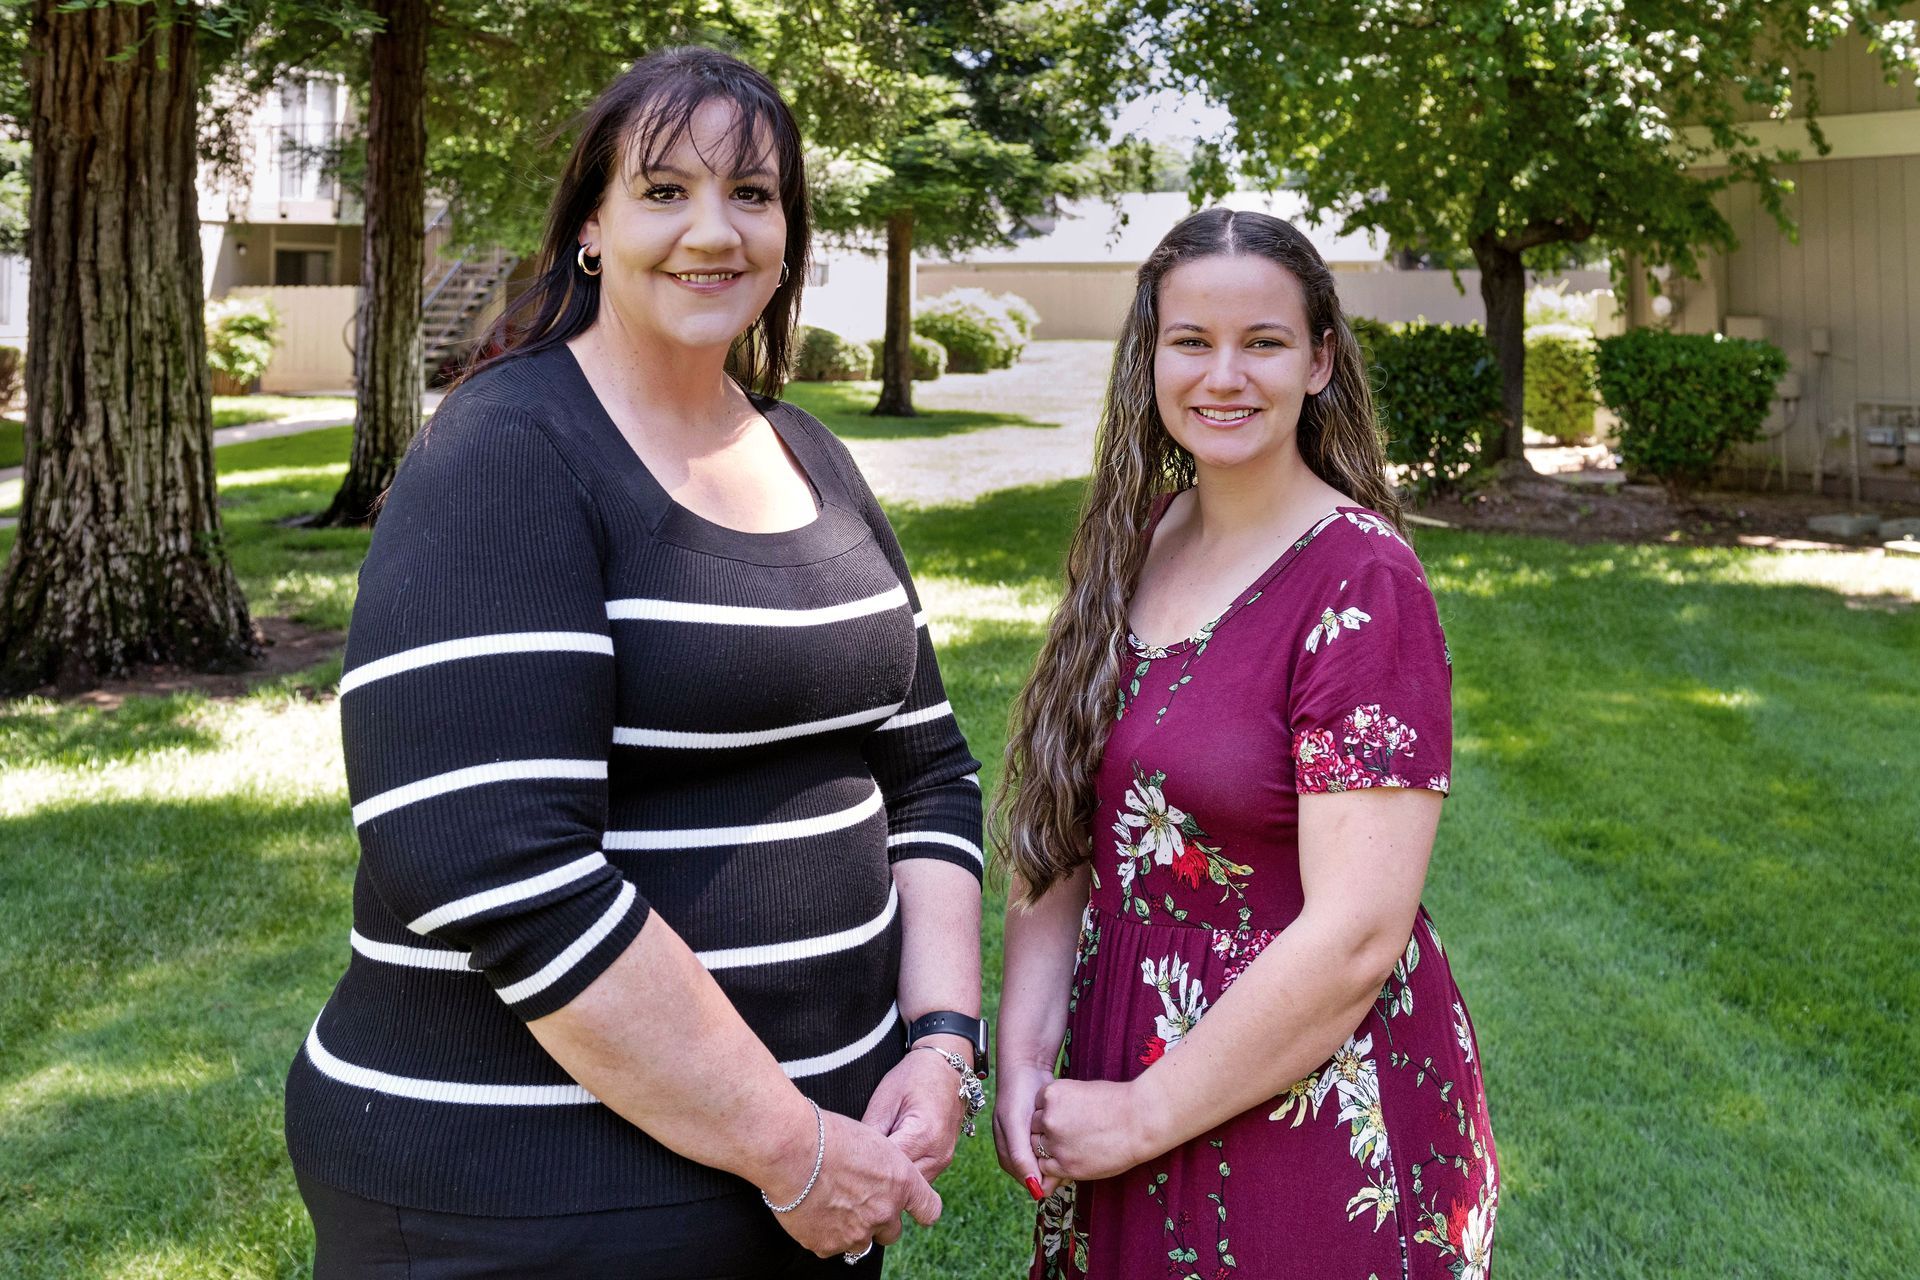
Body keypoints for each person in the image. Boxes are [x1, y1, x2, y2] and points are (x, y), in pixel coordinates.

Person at [283, 47, 989, 1277]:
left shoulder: (807, 450)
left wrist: (937, 1045)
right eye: (664, 190)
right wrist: (788, 1148)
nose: (713, 231)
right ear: (590, 230)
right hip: (536, 1201)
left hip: (813, 1180)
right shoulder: (507, 450)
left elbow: (929, 771)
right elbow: (492, 858)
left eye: (753, 195)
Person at [991, 209, 1498, 1279]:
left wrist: (1142, 1115)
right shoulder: (1131, 539)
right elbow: (1062, 831)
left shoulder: (1362, 580)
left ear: (1319, 360)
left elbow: (1360, 930)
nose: (1224, 375)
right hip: (1118, 1061)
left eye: (1263, 341)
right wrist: (1027, 1052)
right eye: (1192, 340)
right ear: (1151, 354)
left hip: (1298, 1097)